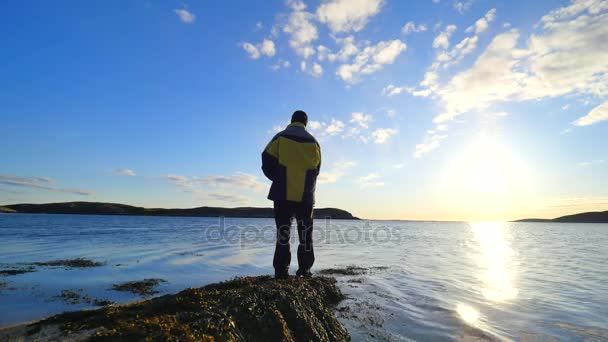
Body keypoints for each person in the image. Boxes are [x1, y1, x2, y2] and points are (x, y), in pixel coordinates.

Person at [261, 110, 321, 279]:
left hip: (282, 194)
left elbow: (266, 160)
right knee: (306, 235)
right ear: (305, 123)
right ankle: (305, 270)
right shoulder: (314, 143)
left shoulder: (280, 137)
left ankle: (281, 272)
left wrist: (278, 178)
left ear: (292, 120)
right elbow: (316, 170)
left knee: (283, 234)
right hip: (305, 197)